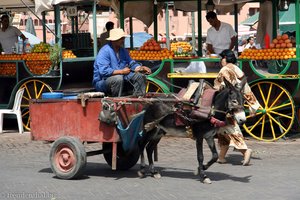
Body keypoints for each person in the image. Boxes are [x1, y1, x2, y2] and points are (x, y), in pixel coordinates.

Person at [213, 49, 260, 166]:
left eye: (222, 58)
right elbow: (246, 89)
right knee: (222, 130)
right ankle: (221, 157)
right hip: (238, 102)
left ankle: (245, 151)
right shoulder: (237, 69)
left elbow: (219, 87)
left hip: (228, 104)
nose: (221, 61)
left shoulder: (224, 70)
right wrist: (252, 106)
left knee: (231, 128)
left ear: (225, 58)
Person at [93, 28, 151, 97]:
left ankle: (138, 99)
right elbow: (103, 71)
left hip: (122, 77)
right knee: (118, 78)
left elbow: (131, 63)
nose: (123, 40)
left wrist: (139, 68)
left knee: (140, 76)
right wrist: (121, 71)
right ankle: (116, 101)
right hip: (103, 82)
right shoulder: (104, 51)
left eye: (123, 38)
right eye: (121, 39)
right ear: (114, 40)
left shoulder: (123, 51)